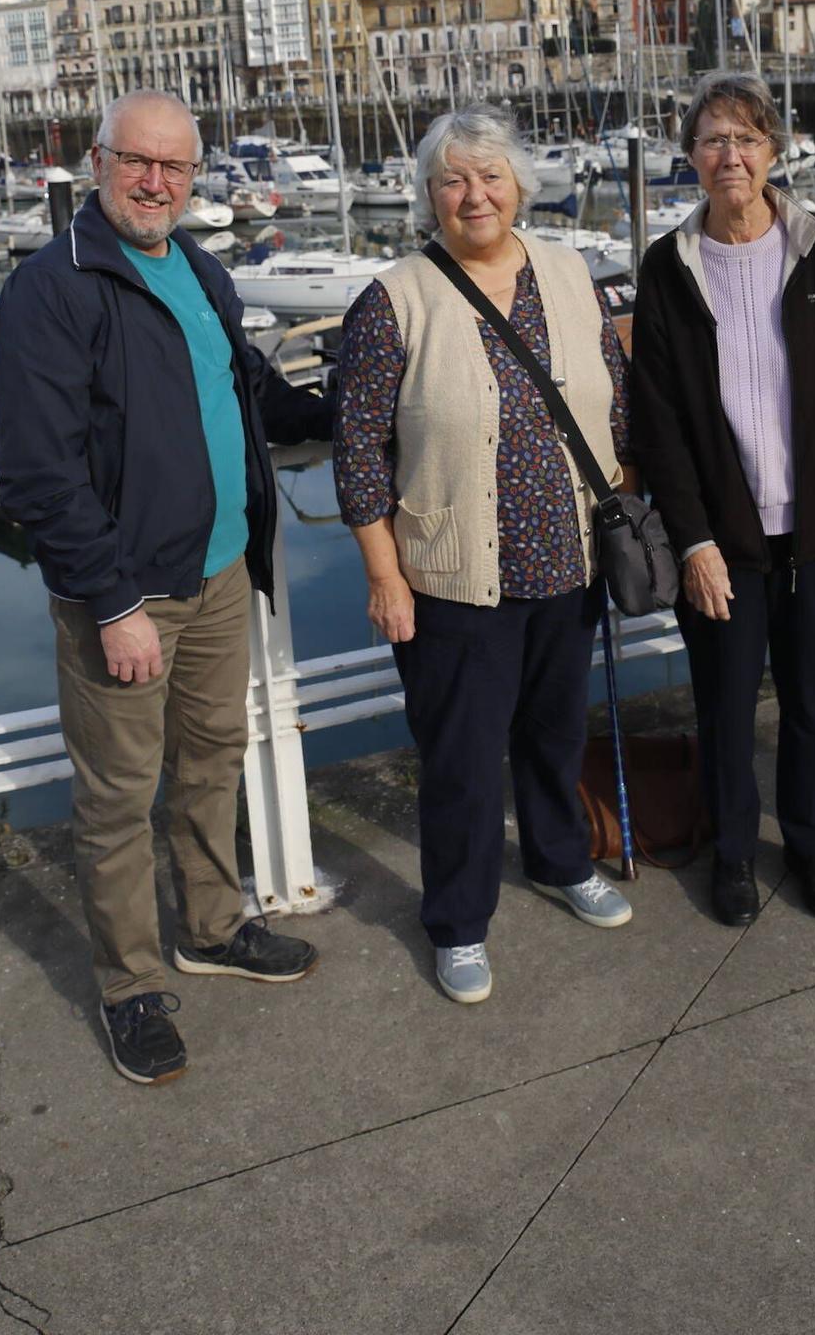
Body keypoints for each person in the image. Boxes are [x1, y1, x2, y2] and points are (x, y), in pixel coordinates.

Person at [0, 91, 333, 1086]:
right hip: (128, 593)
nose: (155, 182)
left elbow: (249, 391)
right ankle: (131, 983)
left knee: (210, 759)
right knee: (115, 797)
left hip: (221, 569)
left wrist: (339, 400)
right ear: (98, 162)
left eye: (175, 168)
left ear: (195, 179)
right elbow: (41, 474)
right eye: (137, 162)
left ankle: (214, 925)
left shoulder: (201, 269)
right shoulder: (53, 287)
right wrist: (110, 599)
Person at [333, 106, 633, 1004]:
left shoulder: (568, 271)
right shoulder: (395, 298)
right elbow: (357, 450)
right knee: (461, 761)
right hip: (454, 578)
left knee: (552, 735)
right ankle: (457, 921)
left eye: (490, 176)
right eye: (455, 179)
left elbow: (611, 400)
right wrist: (384, 574)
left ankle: (558, 858)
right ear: (430, 195)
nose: (475, 195)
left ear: (519, 187)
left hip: (568, 563)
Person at [630, 72, 815, 927]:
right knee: (721, 707)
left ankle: (810, 846)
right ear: (689, 158)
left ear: (773, 151)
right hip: (723, 538)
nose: (730, 156)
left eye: (747, 139)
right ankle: (730, 856)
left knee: (809, 703)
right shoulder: (668, 267)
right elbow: (659, 422)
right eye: (713, 140)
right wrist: (692, 543)